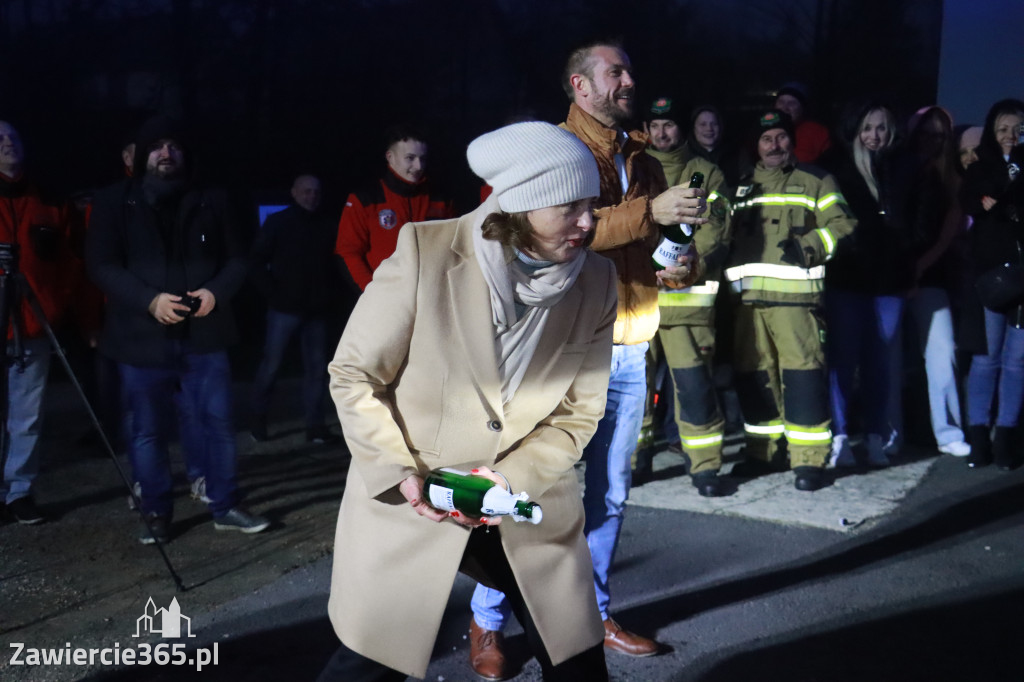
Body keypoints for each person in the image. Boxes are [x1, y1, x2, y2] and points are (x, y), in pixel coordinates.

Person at [317, 121, 616, 681]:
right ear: (523, 204)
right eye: (569, 207)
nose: (588, 223)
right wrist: (399, 472)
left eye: (592, 206)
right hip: (418, 496)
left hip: (521, 499)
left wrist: (509, 481)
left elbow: (579, 411)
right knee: (366, 664)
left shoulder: (598, 281)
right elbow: (354, 375)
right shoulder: (425, 253)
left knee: (577, 659)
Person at [468, 42, 707, 672]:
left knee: (609, 496)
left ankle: (591, 614)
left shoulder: (641, 158)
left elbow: (651, 243)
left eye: (630, 69)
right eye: (615, 72)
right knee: (530, 490)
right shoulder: (553, 153)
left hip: (630, 345)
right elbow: (561, 231)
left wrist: (679, 261)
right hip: (563, 347)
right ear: (579, 84)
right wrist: (647, 213)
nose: (629, 80)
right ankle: (488, 621)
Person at [86, 116, 269, 544]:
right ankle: (156, 510)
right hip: (140, 339)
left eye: (174, 147)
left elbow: (239, 259)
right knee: (147, 430)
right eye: (157, 147)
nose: (166, 154)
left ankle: (224, 505)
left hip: (205, 336)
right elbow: (101, 264)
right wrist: (149, 300)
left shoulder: (212, 199)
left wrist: (216, 292)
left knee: (219, 425)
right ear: (142, 155)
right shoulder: (114, 201)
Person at [726, 110, 855, 491]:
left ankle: (808, 460)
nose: (774, 145)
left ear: (791, 141)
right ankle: (763, 453)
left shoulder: (816, 179)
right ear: (757, 144)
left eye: (781, 137)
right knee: (755, 378)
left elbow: (844, 225)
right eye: (767, 139)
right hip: (748, 304)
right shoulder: (741, 186)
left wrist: (811, 247)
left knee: (802, 377)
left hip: (797, 303)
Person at [643, 95, 732, 496]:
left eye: (670, 125)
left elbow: (715, 227)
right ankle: (634, 460)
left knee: (694, 387)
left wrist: (691, 261)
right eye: (655, 125)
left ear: (682, 129)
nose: (662, 132)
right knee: (633, 389)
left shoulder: (703, 172)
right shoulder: (632, 169)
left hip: (687, 301)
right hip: (637, 301)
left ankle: (705, 467)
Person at [823, 101, 919, 468]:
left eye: (881, 127)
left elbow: (915, 221)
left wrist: (906, 258)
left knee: (879, 361)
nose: (874, 135)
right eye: (868, 127)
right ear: (856, 129)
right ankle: (841, 436)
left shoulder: (906, 167)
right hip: (848, 278)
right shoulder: (839, 168)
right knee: (843, 360)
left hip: (889, 281)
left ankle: (876, 435)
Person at [0, 120, 77, 525]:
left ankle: (19, 491)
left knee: (27, 414)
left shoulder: (49, 199)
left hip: (33, 324)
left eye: (14, 136)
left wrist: (56, 305)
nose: (8, 143)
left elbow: (67, 262)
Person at [892, 106, 971, 458]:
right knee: (888, 358)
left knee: (942, 353)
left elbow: (947, 232)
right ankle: (887, 432)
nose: (932, 141)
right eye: (926, 133)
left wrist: (918, 271)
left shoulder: (949, 178)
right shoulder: (896, 171)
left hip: (931, 275)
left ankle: (949, 431)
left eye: (940, 135)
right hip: (890, 277)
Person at [249, 174, 339, 444]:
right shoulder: (279, 222)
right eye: (307, 191)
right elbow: (255, 260)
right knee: (272, 366)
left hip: (315, 310)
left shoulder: (327, 223)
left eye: (316, 192)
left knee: (316, 370)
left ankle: (314, 427)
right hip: (285, 308)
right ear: (294, 192)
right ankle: (257, 421)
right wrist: (273, 294)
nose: (312, 196)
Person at [959, 98, 1024, 470]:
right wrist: (1005, 181)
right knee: (986, 360)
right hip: (990, 277)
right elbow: (973, 203)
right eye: (1003, 129)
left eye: (1018, 129)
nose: (1011, 136)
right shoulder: (980, 168)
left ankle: (1006, 438)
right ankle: (979, 436)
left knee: (1017, 362)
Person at [334, 125, 454, 291]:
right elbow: (348, 252)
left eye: (423, 159)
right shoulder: (366, 198)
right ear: (390, 157)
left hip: (431, 296)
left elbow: (453, 247)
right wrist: (372, 291)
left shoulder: (440, 198)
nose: (419, 166)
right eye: (410, 158)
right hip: (385, 298)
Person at [775, 82, 832, 164]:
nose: (785, 108)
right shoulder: (763, 129)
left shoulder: (818, 132)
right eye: (781, 102)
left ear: (802, 108)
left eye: (792, 103)